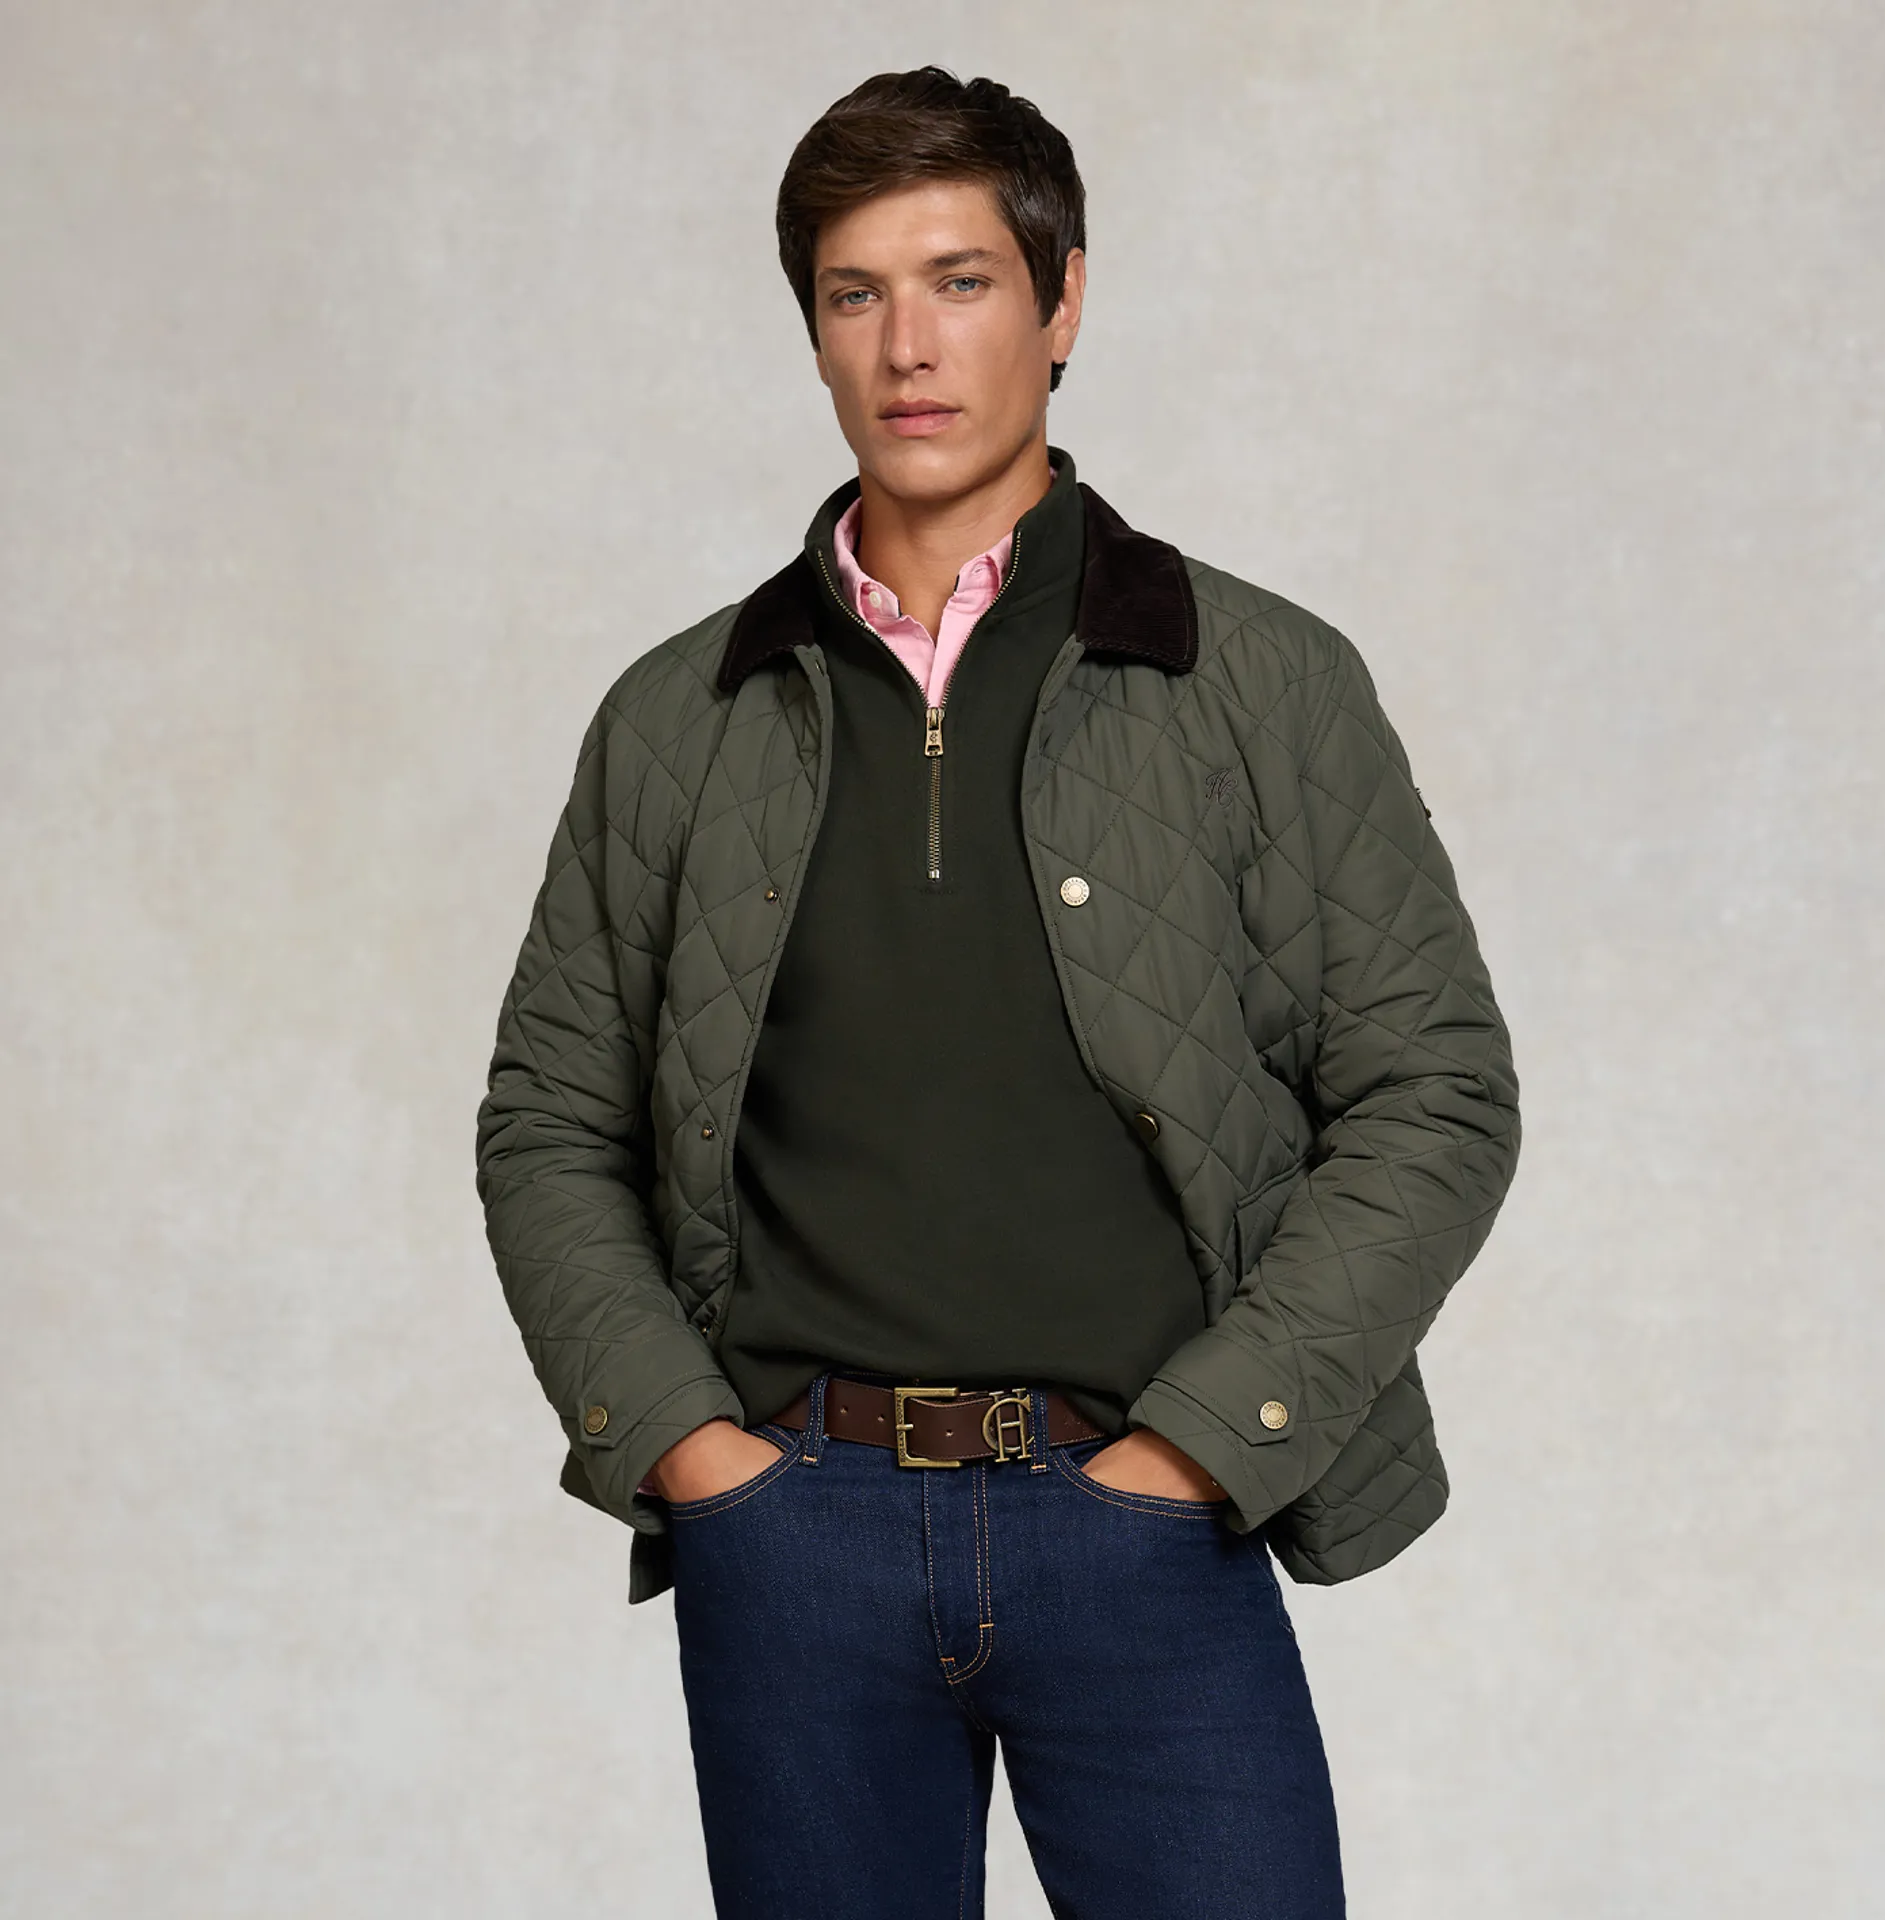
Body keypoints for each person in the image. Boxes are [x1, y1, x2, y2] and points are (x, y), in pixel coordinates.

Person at [476, 64, 1521, 1920]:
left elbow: (1434, 1094)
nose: (908, 346)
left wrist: (1205, 1447)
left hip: (1147, 1522)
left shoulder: (1259, 684)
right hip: (794, 1535)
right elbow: (551, 1125)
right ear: (812, 330)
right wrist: (694, 1459)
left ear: (1063, 300)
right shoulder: (679, 718)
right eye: (855, 293)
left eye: (960, 281)